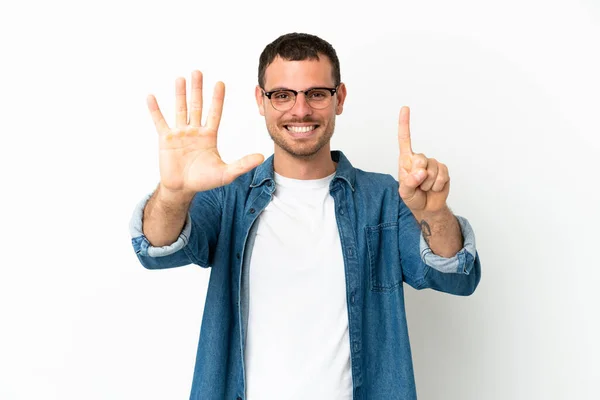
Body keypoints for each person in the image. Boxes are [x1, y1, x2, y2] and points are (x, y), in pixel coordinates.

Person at [129, 32, 481, 400]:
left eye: (316, 93)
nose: (300, 110)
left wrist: (435, 214)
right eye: (282, 95)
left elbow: (455, 279)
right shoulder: (229, 197)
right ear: (261, 101)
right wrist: (173, 193)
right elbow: (158, 248)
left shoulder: (384, 200)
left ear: (339, 98)